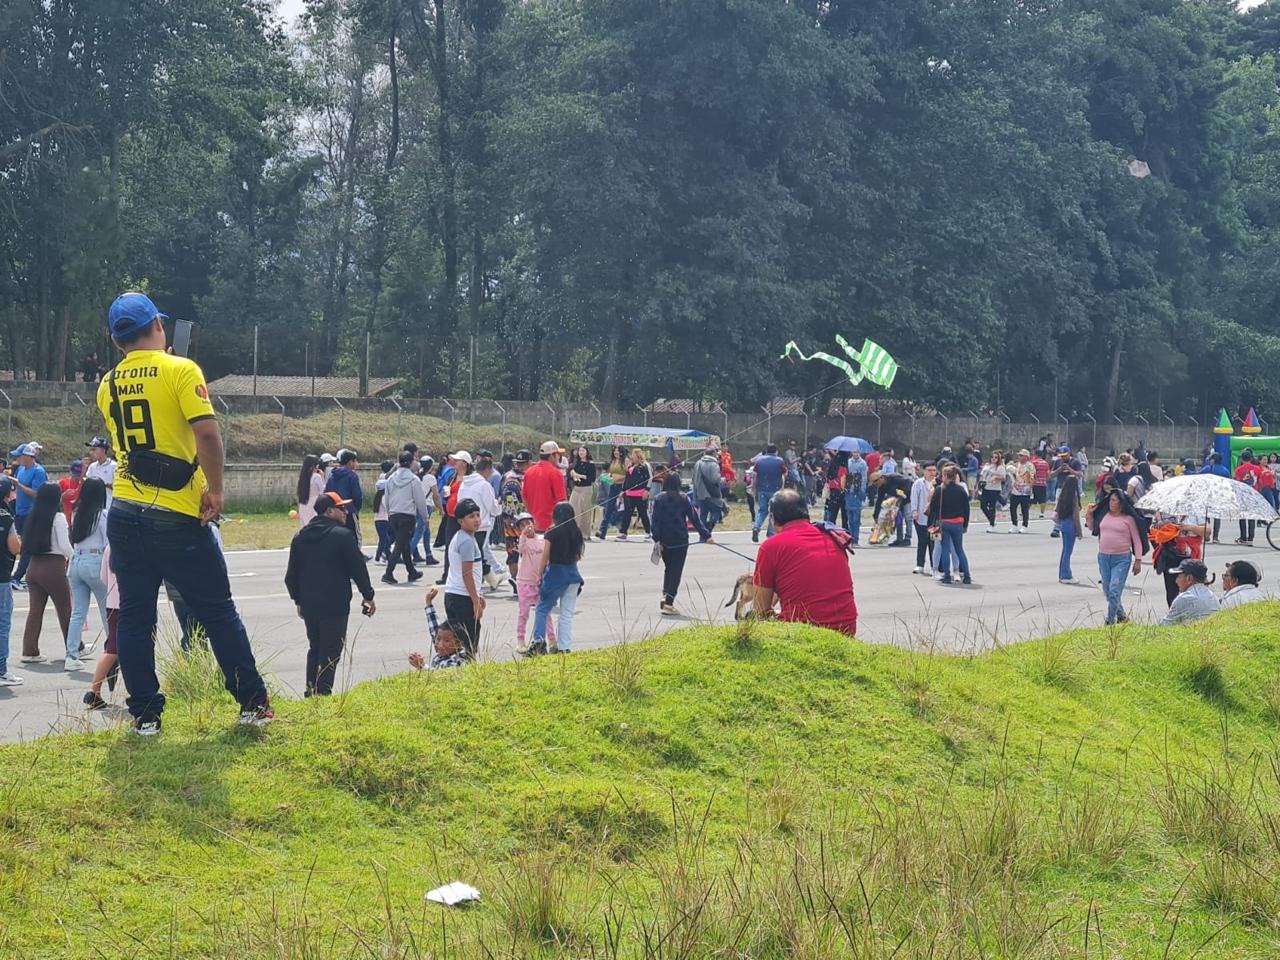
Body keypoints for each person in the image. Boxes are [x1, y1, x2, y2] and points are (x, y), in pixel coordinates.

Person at [98, 291, 272, 734]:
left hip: (124, 509)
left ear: (118, 342)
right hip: (176, 511)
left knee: (136, 617)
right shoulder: (180, 369)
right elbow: (208, 436)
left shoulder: (107, 383)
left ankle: (145, 716)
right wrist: (215, 490)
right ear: (158, 325)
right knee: (216, 610)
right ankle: (252, 702)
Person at [284, 491, 377, 696]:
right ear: (329, 511)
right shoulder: (342, 536)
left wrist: (298, 600)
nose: (346, 512)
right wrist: (368, 595)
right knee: (331, 651)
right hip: (335, 604)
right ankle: (323, 693)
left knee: (315, 648)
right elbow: (357, 568)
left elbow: (291, 576)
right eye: (341, 508)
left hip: (309, 604)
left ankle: (311, 690)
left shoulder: (300, 537)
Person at [752, 489, 857, 634]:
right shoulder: (834, 537)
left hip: (803, 633)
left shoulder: (771, 547)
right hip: (847, 629)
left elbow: (760, 609)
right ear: (806, 514)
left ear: (773, 519)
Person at [18, 484, 73, 668]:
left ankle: (29, 650)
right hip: (53, 566)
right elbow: (65, 547)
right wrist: (75, 555)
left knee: (35, 611)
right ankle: (74, 647)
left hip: (33, 567)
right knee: (65, 609)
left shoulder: (33, 516)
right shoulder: (57, 518)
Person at [527, 500, 585, 656]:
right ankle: (564, 647)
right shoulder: (576, 532)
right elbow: (578, 556)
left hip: (555, 575)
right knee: (566, 613)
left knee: (542, 609)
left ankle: (538, 642)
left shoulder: (552, 532)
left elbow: (545, 556)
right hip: (573, 575)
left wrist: (539, 575)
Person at [650, 472, 713, 615]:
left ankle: (665, 594)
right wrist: (706, 535)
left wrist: (657, 539)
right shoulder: (684, 498)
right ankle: (669, 603)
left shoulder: (659, 498)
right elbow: (694, 518)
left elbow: (655, 520)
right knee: (676, 571)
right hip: (680, 540)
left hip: (664, 540)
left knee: (669, 569)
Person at [66, 476, 111, 667]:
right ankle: (113, 652)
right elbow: (108, 544)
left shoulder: (77, 512)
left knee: (78, 613)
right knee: (107, 611)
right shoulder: (103, 515)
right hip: (95, 561)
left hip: (76, 561)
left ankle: (71, 655)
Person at [1087, 489, 1147, 625]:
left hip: (1121, 559)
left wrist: (1138, 560)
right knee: (1108, 590)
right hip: (1103, 557)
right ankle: (1121, 616)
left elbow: (1136, 540)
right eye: (1110, 500)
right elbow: (1092, 528)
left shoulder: (1128, 519)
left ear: (1121, 503)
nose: (1111, 503)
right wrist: (1089, 515)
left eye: (1114, 500)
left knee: (1114, 590)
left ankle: (1110, 620)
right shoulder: (1104, 515)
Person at [455, 450, 505, 590]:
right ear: (488, 470)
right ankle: (487, 579)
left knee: (474, 553)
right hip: (480, 524)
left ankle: (489, 579)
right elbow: (492, 508)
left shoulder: (465, 483)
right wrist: (499, 506)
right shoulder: (484, 485)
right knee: (477, 555)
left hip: (465, 523)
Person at [443, 498, 486, 658]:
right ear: (461, 521)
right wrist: (475, 601)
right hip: (463, 597)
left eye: (477, 515)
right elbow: (467, 573)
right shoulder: (467, 541)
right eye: (471, 516)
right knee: (468, 643)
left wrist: (478, 594)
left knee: (456, 643)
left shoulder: (460, 537)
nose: (476, 520)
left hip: (453, 595)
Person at [382, 451, 431, 585]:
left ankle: (411, 571)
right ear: (411, 463)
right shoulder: (414, 479)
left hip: (393, 515)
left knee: (403, 544)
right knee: (399, 544)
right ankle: (388, 573)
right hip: (407, 516)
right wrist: (425, 517)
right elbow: (420, 500)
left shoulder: (391, 478)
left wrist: (389, 511)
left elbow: (386, 498)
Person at [82, 545, 120, 709]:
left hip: (112, 602)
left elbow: (103, 577)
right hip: (131, 603)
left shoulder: (110, 546)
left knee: (112, 647)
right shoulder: (139, 540)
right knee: (119, 649)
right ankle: (94, 690)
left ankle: (95, 690)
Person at [513, 513, 556, 653]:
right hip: (525, 582)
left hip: (540, 583)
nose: (527, 527)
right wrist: (523, 536)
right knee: (524, 613)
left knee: (545, 612)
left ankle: (552, 640)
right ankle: (520, 640)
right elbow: (521, 548)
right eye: (522, 525)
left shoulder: (543, 540)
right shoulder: (523, 542)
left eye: (528, 523)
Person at [9, 442, 47, 590]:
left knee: (26, 547)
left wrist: (19, 485)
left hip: (32, 513)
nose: (18, 459)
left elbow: (38, 493)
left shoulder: (38, 472)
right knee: (23, 546)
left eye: (20, 456)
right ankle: (29, 576)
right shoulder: (20, 470)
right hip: (20, 512)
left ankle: (17, 577)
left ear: (28, 456)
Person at [927, 464, 972, 585]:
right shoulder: (961, 490)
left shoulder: (940, 490)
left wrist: (935, 521)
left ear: (946, 476)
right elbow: (966, 508)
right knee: (959, 550)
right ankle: (967, 575)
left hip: (944, 522)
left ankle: (947, 575)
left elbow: (934, 507)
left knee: (945, 549)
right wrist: (965, 524)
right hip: (958, 522)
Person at [0, 479, 22, 687]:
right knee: (2, 624)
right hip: (2, 577)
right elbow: (14, 548)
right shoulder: (6, 517)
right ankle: (1, 670)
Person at [523, 440, 568, 532]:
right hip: (551, 526)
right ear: (552, 456)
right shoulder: (555, 473)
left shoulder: (529, 472)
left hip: (533, 525)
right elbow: (562, 503)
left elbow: (524, 497)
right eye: (558, 454)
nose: (559, 457)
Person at [1159, 560, 1219, 626]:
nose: (1176, 581)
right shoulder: (1213, 596)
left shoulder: (1184, 598)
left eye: (1178, 576)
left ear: (1189, 578)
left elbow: (1163, 626)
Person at [324, 449, 364, 542]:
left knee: (336, 536)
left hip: (334, 510)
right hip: (349, 509)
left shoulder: (332, 476)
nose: (356, 464)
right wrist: (356, 508)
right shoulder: (352, 476)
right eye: (355, 461)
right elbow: (357, 495)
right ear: (350, 462)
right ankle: (356, 555)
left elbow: (327, 492)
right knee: (355, 536)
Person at [1053, 460, 1082, 584]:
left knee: (1065, 550)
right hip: (1070, 525)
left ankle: (1062, 573)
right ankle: (1066, 575)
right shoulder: (1074, 498)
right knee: (1068, 551)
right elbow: (1076, 516)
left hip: (1063, 524)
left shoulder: (1062, 497)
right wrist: (1079, 532)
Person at [751, 444, 786, 542]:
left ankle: (756, 527)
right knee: (773, 512)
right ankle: (770, 534)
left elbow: (755, 475)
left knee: (762, 510)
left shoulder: (759, 460)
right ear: (776, 451)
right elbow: (784, 474)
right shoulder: (780, 461)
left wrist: (754, 488)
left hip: (762, 489)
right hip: (775, 489)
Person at [616, 448, 652, 540]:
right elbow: (626, 479)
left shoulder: (644, 465)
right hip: (629, 493)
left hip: (640, 493)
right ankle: (623, 532)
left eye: (633, 454)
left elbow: (650, 478)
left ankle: (648, 531)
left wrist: (647, 490)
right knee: (627, 513)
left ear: (638, 455)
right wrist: (622, 490)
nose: (632, 456)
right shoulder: (630, 466)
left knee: (643, 513)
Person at [870, 470, 915, 546]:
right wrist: (876, 515)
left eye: (876, 483)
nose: (876, 485)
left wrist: (903, 494)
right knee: (898, 518)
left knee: (908, 518)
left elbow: (909, 483)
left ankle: (907, 538)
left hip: (907, 497)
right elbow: (879, 501)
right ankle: (899, 539)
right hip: (897, 500)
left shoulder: (894, 478)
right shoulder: (882, 488)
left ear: (881, 478)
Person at [910, 463, 938, 575]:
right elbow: (914, 498)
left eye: (934, 470)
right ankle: (920, 564)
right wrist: (914, 511)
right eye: (929, 470)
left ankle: (934, 566)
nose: (932, 472)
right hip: (921, 517)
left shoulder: (938, 484)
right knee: (922, 541)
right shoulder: (918, 483)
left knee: (934, 542)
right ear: (924, 471)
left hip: (934, 519)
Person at [595, 446, 627, 540]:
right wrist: (608, 477)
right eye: (615, 451)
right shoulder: (613, 461)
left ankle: (619, 526)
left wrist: (618, 479)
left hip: (621, 486)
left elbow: (627, 475)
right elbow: (611, 473)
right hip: (613, 486)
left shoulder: (625, 461)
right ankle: (602, 531)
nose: (616, 452)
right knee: (609, 507)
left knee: (621, 508)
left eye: (618, 451)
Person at [692, 447, 727, 534]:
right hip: (712, 493)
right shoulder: (714, 465)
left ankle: (703, 534)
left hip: (700, 493)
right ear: (713, 454)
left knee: (703, 514)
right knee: (717, 511)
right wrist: (723, 480)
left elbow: (694, 479)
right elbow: (715, 479)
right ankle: (709, 527)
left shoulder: (698, 463)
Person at [1234, 451, 1265, 545]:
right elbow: (1260, 481)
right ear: (1251, 458)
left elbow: (1237, 483)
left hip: (1243, 495)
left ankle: (1243, 537)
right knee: (1252, 516)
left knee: (1242, 516)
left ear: (1242, 459)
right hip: (1254, 494)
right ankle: (1251, 538)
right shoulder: (1257, 468)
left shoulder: (1239, 469)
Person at [567, 446, 597, 539]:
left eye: (583, 450)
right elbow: (570, 473)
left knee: (585, 511)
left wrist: (581, 476)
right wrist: (573, 474)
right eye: (580, 451)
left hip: (586, 488)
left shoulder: (591, 464)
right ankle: (573, 532)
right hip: (576, 488)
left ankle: (585, 533)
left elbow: (592, 478)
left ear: (587, 452)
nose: (581, 452)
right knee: (573, 508)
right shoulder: (576, 462)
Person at [843, 449, 868, 545]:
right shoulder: (848, 462)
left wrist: (862, 491)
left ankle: (855, 538)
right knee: (849, 516)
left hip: (857, 492)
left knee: (856, 517)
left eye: (857, 452)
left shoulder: (862, 463)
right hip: (849, 491)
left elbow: (864, 478)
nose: (855, 454)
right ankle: (850, 537)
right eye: (854, 452)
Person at [372, 459, 394, 564]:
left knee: (385, 539)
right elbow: (387, 506)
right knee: (384, 540)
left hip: (378, 519)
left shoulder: (377, 496)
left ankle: (385, 555)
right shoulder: (384, 497)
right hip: (384, 519)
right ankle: (379, 556)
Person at [1007, 450, 1035, 533]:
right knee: (1012, 507)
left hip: (1025, 490)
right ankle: (1014, 524)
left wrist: (1030, 487)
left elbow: (1033, 477)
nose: (1019, 457)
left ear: (1026, 457)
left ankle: (1024, 525)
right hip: (1016, 490)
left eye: (1021, 456)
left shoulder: (1030, 466)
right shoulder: (1017, 465)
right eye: (1019, 455)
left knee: (1024, 509)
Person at [978, 451, 1006, 532]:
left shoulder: (1000, 467)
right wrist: (980, 483)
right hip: (986, 487)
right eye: (992, 457)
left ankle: (991, 524)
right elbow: (982, 475)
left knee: (991, 506)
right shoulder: (987, 466)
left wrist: (996, 477)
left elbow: (1003, 477)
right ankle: (991, 519)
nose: (993, 459)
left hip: (995, 489)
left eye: (996, 457)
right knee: (983, 505)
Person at [295, 454, 325, 527]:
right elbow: (323, 490)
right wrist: (322, 477)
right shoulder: (316, 476)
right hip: (314, 503)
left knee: (305, 525)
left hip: (303, 503)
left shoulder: (303, 477)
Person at [84, 437, 116, 505]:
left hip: (109, 506)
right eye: (91, 450)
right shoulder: (92, 466)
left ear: (103, 450)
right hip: (93, 506)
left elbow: (118, 488)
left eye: (94, 449)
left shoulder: (114, 466)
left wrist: (107, 485)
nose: (91, 452)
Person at [1031, 450, 1050, 518]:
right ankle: (1042, 513)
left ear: (1036, 455)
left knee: (1031, 498)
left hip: (1035, 483)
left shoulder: (1034, 462)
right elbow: (1048, 473)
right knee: (1043, 499)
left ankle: (1024, 511)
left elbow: (1031, 472)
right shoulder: (1045, 463)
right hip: (1043, 483)